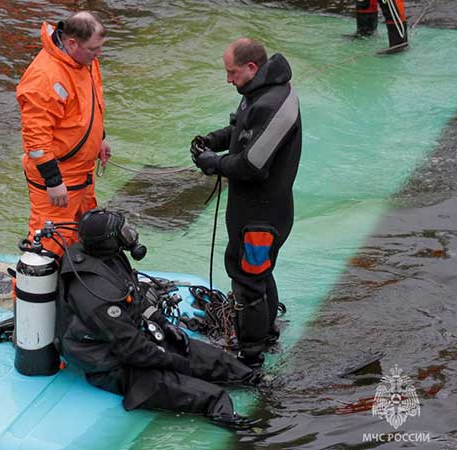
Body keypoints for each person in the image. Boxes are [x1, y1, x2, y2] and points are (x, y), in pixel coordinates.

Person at [56, 209, 258, 429]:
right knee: (214, 397)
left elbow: (133, 294)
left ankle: (258, 382)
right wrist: (173, 361)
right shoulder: (98, 294)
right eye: (122, 231)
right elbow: (131, 349)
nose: (129, 234)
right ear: (108, 241)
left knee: (225, 364)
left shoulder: (110, 256)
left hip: (134, 337)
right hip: (113, 364)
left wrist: (163, 323)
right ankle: (249, 433)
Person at [190, 38, 301, 367]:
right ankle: (266, 334)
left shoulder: (273, 103)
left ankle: (250, 356)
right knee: (259, 274)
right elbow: (244, 128)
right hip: (255, 212)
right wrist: (215, 140)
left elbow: (252, 165)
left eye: (232, 72)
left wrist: (213, 162)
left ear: (252, 68)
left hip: (261, 218)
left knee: (249, 283)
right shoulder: (259, 92)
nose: (228, 79)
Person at [16, 11, 111, 256]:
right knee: (49, 245)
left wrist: (100, 137)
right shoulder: (44, 78)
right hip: (59, 177)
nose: (98, 54)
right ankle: (29, 294)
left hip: (82, 172)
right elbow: (36, 138)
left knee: (85, 235)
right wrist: (53, 181)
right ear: (71, 43)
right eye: (94, 49)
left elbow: (89, 103)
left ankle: (73, 290)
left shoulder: (85, 60)